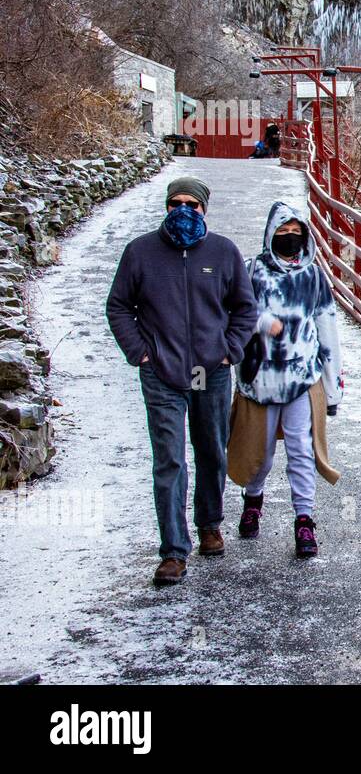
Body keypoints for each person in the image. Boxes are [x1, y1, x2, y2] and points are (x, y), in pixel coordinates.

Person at [107, 177, 258, 587]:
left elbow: (245, 309)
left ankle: (209, 523)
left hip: (211, 372)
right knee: (170, 460)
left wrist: (230, 350)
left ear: (205, 208)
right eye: (176, 202)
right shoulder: (141, 252)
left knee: (211, 451)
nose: (184, 210)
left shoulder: (224, 252)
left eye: (193, 203)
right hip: (163, 373)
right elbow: (119, 305)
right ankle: (173, 550)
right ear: (166, 205)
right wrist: (140, 352)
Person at [227, 202, 343, 559]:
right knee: (259, 455)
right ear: (270, 233)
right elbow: (234, 313)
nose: (290, 238)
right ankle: (253, 497)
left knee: (301, 451)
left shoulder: (313, 276)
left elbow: (327, 327)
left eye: (296, 233)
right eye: (283, 232)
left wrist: (332, 383)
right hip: (260, 378)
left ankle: (304, 520)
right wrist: (261, 323)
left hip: (302, 377)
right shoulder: (252, 272)